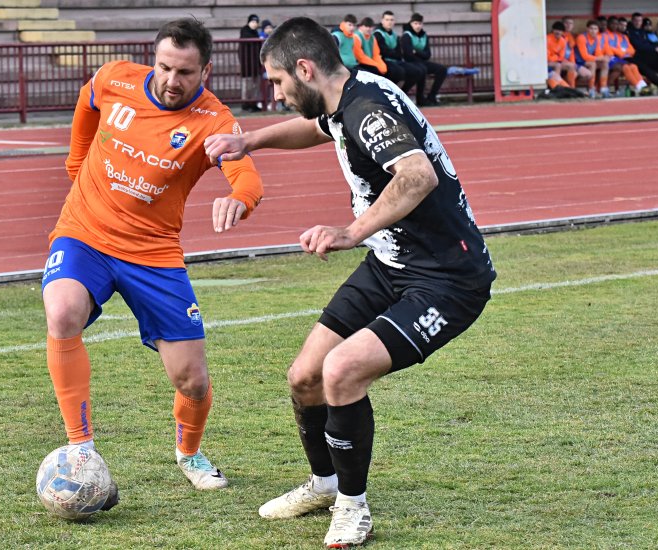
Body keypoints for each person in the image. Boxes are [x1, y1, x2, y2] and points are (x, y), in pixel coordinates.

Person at [204, 16, 495, 548]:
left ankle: (352, 508)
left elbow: (417, 175)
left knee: (341, 371)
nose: (277, 94)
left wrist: (349, 231)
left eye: (277, 82)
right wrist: (249, 142)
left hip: (447, 280)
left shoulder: (366, 110)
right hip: (393, 264)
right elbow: (317, 128)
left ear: (305, 69)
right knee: (305, 377)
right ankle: (323, 483)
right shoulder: (344, 96)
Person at [42, 18, 264, 502]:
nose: (171, 80)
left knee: (193, 379)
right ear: (154, 59)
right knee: (61, 312)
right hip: (85, 234)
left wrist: (240, 199)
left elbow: (248, 177)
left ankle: (189, 454)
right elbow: (88, 100)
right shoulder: (116, 78)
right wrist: (76, 163)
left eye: (185, 72)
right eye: (165, 67)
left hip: (154, 253)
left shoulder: (215, 122)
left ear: (205, 70)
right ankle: (81, 449)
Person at [373, 10, 424, 99]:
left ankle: (401, 95)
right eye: (387, 19)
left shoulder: (394, 35)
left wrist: (394, 54)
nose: (389, 22)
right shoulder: (378, 34)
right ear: (382, 21)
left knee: (417, 71)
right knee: (399, 72)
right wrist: (394, 53)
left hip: (395, 61)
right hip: (383, 62)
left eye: (392, 20)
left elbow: (399, 53)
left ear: (394, 22)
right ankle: (388, 96)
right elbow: (383, 51)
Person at [400, 12, 448, 106]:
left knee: (442, 69)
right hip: (410, 63)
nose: (418, 26)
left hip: (421, 61)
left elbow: (428, 55)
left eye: (420, 24)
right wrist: (420, 54)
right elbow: (408, 55)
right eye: (415, 23)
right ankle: (420, 99)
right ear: (411, 24)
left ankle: (432, 96)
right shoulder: (406, 35)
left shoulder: (424, 36)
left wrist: (416, 52)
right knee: (422, 69)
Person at [603, 15, 650, 96]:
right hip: (608, 57)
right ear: (608, 24)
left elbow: (630, 50)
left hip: (617, 58)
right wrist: (621, 52)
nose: (615, 26)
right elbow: (609, 49)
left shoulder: (618, 35)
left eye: (616, 24)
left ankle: (642, 86)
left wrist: (621, 52)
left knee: (633, 66)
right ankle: (638, 87)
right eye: (612, 24)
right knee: (624, 67)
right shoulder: (605, 35)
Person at [574, 19, 612, 98]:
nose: (593, 31)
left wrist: (604, 58)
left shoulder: (596, 39)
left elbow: (598, 53)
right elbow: (584, 56)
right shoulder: (582, 37)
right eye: (591, 28)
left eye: (595, 29)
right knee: (593, 64)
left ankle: (603, 88)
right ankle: (591, 89)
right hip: (578, 61)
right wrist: (601, 58)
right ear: (587, 29)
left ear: (598, 30)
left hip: (588, 60)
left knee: (605, 63)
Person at [239, 14, 264, 112]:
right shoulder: (244, 32)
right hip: (247, 65)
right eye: (253, 22)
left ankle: (253, 104)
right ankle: (246, 104)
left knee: (255, 85)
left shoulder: (256, 33)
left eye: (256, 22)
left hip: (256, 65)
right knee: (247, 85)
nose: (254, 24)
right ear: (248, 22)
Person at [546, 21, 578, 90]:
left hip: (556, 61)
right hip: (546, 62)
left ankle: (572, 88)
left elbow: (561, 57)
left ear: (563, 32)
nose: (558, 32)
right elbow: (547, 57)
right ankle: (556, 88)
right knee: (558, 65)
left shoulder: (563, 41)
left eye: (560, 30)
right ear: (552, 30)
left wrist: (555, 58)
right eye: (556, 30)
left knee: (572, 66)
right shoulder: (547, 39)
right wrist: (556, 57)